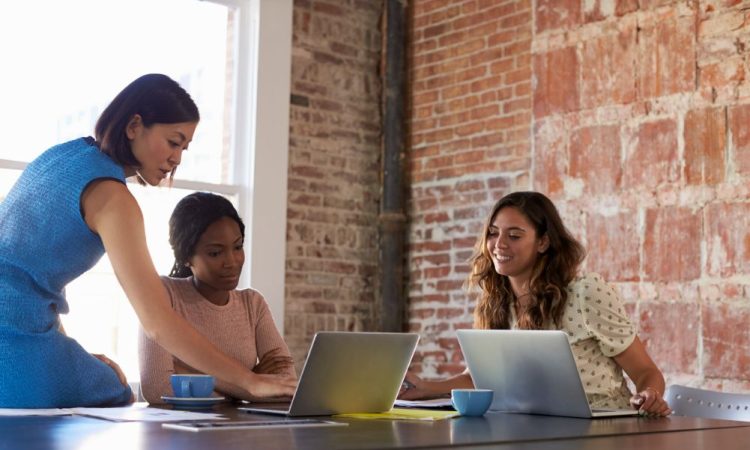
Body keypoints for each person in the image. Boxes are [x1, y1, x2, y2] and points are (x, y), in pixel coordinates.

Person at [0, 74, 296, 408]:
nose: (177, 159)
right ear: (134, 126)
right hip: (11, 346)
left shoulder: (62, 156)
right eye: (173, 142)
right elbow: (158, 321)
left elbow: (25, 275)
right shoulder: (113, 198)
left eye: (184, 148)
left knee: (101, 377)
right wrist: (251, 383)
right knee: (116, 390)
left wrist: (64, 351)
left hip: (25, 331)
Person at [400, 191, 672, 416]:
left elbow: (646, 371)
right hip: (530, 430)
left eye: (514, 235)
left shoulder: (585, 294)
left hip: (602, 429)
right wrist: (426, 388)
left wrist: (649, 395)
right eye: (493, 233)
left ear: (543, 242)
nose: (498, 244)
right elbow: (480, 377)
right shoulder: (497, 301)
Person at [139, 192, 296, 403]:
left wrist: (188, 371)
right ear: (186, 257)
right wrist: (251, 381)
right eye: (215, 253)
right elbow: (158, 388)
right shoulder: (163, 295)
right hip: (179, 433)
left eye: (238, 247)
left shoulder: (253, 304)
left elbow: (285, 384)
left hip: (240, 430)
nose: (231, 261)